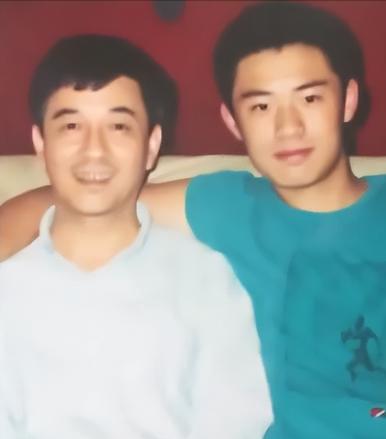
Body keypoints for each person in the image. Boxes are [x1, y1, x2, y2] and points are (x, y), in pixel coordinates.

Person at [0, 2, 386, 438]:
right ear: (231, 121)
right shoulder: (225, 205)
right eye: (260, 106)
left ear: (348, 99)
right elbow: (67, 200)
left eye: (309, 97)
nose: (288, 128)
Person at [0, 34, 272, 438]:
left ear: (151, 145)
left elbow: (236, 420)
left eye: (118, 126)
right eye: (71, 126)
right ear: (41, 143)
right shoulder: (9, 288)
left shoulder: (207, 279)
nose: (94, 150)